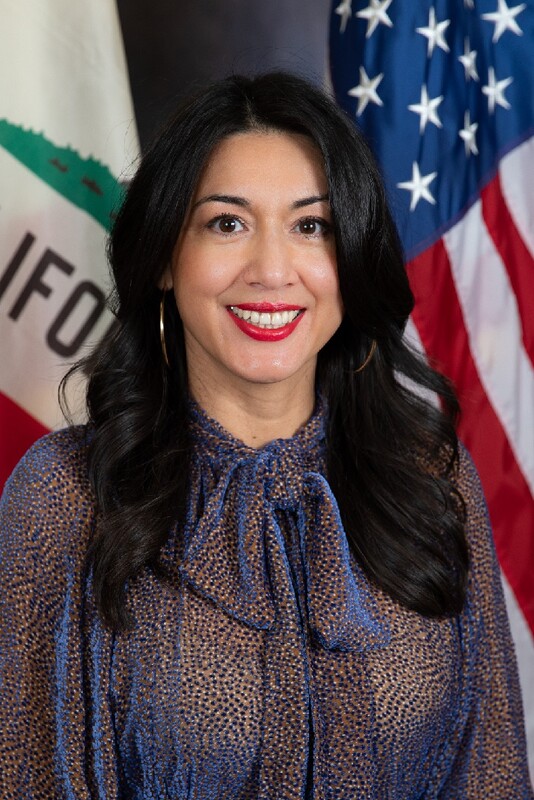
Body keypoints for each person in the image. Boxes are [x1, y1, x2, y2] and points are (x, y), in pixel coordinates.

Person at [0, 71, 531, 799]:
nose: (273, 270)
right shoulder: (64, 494)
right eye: (227, 223)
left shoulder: (431, 474)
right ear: (163, 258)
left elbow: (492, 774)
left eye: (311, 226)